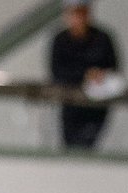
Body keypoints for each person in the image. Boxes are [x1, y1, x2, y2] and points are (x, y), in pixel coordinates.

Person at [49, 0, 121, 149]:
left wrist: (100, 76)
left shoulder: (102, 38)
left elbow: (114, 70)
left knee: (89, 146)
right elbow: (57, 73)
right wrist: (85, 75)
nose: (79, 18)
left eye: (82, 13)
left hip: (97, 107)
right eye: (74, 13)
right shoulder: (60, 40)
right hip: (70, 106)